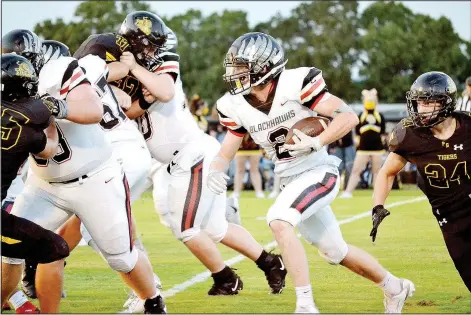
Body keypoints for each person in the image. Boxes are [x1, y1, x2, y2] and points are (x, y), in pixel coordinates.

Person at [209, 32, 414, 313]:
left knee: (279, 221)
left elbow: (347, 115)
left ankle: (305, 306)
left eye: (242, 66)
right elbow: (226, 151)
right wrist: (215, 170)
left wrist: (318, 140)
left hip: (319, 170)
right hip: (288, 179)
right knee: (335, 252)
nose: (235, 73)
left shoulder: (295, 83)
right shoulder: (233, 105)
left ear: (264, 66)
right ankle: (394, 287)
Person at [2, 29, 166, 314]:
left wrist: (57, 107)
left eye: (21, 63)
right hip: (44, 185)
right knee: (12, 251)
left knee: (121, 258)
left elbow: (92, 109)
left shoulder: (59, 69)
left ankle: (152, 300)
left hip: (93, 179)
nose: (17, 74)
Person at [371, 71, 471, 292]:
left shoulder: (468, 127)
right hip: (449, 217)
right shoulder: (409, 134)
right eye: (418, 103)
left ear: (446, 102)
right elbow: (387, 172)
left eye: (428, 102)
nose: (421, 109)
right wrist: (378, 206)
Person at [1, 53, 70, 313]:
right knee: (55, 246)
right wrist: (51, 120)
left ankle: (15, 298)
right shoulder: (27, 124)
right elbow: (48, 150)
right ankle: (20, 298)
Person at [340, 89, 386, 198]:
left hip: (377, 149)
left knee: (377, 172)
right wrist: (357, 144)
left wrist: (384, 145)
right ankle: (348, 192)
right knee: (356, 170)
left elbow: (383, 134)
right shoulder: (361, 115)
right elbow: (357, 134)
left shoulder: (380, 116)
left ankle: (377, 193)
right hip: (363, 148)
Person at [231, 134, 265, 199]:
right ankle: (236, 192)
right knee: (239, 170)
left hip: (254, 144)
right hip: (240, 143)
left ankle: (259, 192)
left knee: (254, 169)